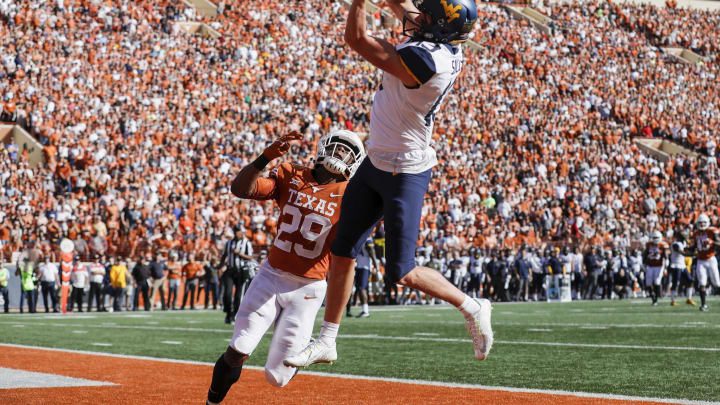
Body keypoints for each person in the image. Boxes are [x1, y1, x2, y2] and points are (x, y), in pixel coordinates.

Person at [285, 0, 491, 369]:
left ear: (441, 28)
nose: (418, 19)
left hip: (405, 171)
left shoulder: (429, 62)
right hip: (376, 158)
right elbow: (406, 9)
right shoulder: (436, 41)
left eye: (427, 18)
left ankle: (472, 306)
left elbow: (358, 38)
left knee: (402, 270)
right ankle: (327, 340)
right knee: (343, 247)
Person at [206, 129, 365, 405]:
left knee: (277, 377)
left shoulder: (352, 196)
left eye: (347, 151)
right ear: (323, 147)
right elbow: (241, 189)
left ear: (355, 162)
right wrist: (265, 157)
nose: (340, 154)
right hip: (270, 276)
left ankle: (302, 344)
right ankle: (211, 402)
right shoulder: (292, 174)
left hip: (309, 288)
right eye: (337, 147)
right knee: (239, 348)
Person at [219, 225, 253, 323]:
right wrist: (220, 267)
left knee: (239, 296)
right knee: (227, 294)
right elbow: (224, 255)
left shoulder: (246, 243)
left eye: (241, 231)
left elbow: (250, 257)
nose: (240, 233)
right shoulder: (229, 243)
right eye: (238, 231)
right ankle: (229, 313)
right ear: (235, 232)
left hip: (242, 271)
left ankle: (234, 315)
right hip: (230, 270)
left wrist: (239, 253)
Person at [689, 214, 720, 311]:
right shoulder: (695, 233)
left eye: (703, 222)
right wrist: (684, 250)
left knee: (717, 283)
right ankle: (703, 305)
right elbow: (694, 247)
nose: (702, 224)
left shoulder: (712, 231)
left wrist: (712, 242)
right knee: (702, 283)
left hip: (711, 259)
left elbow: (719, 244)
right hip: (700, 260)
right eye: (700, 223)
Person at [347, 237, 378, 317]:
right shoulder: (361, 239)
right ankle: (363, 310)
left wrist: (376, 266)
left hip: (365, 267)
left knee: (362, 288)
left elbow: (372, 252)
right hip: (359, 267)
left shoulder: (367, 239)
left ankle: (365, 311)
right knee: (359, 288)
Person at [668, 229, 696, 306]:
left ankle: (689, 298)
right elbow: (683, 253)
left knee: (690, 281)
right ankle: (672, 300)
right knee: (675, 283)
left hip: (683, 266)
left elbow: (687, 249)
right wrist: (694, 254)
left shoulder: (683, 243)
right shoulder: (675, 244)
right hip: (676, 266)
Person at [643, 231, 667, 306]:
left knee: (657, 282)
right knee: (648, 283)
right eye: (654, 237)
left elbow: (666, 256)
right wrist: (644, 263)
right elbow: (645, 254)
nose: (655, 239)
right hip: (650, 266)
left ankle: (655, 299)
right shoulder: (648, 244)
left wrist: (666, 267)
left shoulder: (663, 245)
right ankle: (653, 296)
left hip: (659, 266)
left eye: (657, 237)